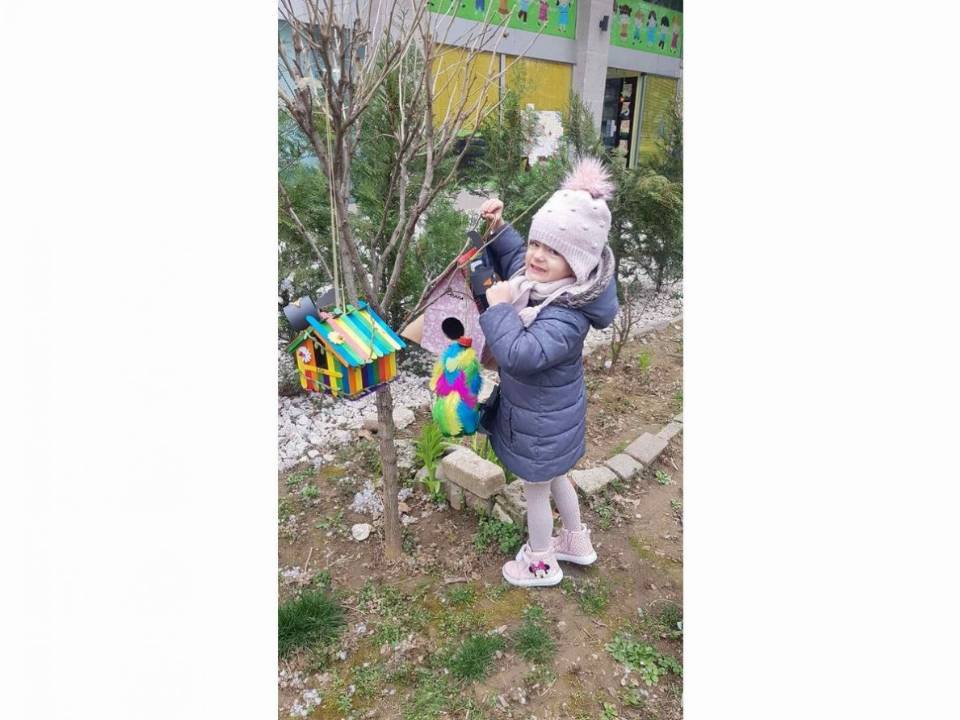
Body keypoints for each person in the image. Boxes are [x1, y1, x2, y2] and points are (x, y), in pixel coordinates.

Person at [477, 157, 619, 587]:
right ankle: (575, 541)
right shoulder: (543, 283)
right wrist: (499, 228)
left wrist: (500, 309)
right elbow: (517, 258)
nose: (537, 256)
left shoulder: (567, 313)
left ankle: (541, 563)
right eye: (537, 243)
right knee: (558, 478)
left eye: (554, 251)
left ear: (577, 262)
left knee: (536, 491)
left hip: (541, 427)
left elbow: (520, 354)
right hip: (551, 421)